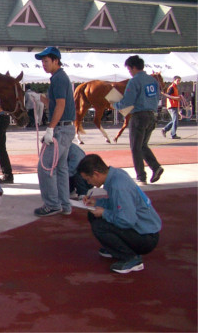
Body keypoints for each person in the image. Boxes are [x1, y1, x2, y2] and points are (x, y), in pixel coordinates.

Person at [77, 154, 162, 274]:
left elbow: (127, 220)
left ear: (96, 174)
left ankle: (132, 259)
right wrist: (96, 202)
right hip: (145, 230)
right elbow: (116, 203)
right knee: (93, 214)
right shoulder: (116, 175)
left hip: (146, 237)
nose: (89, 183)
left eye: (88, 179)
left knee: (99, 226)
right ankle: (115, 248)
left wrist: (104, 213)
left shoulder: (118, 187)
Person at [33, 46, 76, 217]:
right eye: (42, 62)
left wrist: (50, 128)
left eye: (46, 61)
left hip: (60, 129)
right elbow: (56, 102)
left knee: (45, 167)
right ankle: (64, 204)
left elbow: (60, 104)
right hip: (66, 127)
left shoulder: (58, 78)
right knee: (60, 168)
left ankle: (52, 204)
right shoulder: (60, 78)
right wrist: (40, 98)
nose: (43, 64)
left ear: (56, 61)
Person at [114, 55, 164, 185]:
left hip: (139, 116)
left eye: (129, 69)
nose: (129, 72)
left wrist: (115, 104)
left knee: (135, 147)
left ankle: (141, 176)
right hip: (152, 115)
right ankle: (155, 167)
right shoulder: (153, 81)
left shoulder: (134, 81)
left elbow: (127, 102)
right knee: (142, 145)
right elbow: (157, 98)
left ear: (133, 67)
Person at [161, 75, 182, 139]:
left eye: (179, 81)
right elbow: (168, 95)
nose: (178, 82)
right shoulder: (172, 87)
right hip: (171, 106)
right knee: (175, 120)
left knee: (174, 120)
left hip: (174, 105)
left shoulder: (175, 87)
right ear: (174, 80)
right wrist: (176, 98)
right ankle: (173, 134)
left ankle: (165, 129)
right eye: (177, 80)